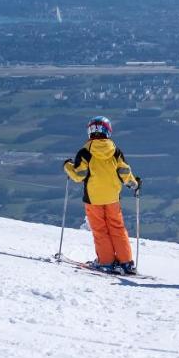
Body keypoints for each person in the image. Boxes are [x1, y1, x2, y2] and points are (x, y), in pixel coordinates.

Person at [63, 116, 141, 274]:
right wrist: (135, 184)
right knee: (117, 228)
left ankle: (106, 262)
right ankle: (126, 263)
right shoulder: (115, 151)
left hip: (93, 199)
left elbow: (79, 175)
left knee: (100, 230)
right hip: (113, 197)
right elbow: (124, 172)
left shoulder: (85, 152)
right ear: (108, 131)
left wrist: (67, 166)